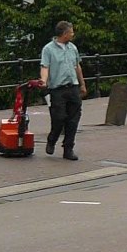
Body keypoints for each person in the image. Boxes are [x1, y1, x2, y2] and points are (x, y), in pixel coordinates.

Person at [39, 20, 86, 160]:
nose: (73, 34)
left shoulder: (73, 48)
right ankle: (52, 140)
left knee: (73, 119)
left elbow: (77, 66)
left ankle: (68, 148)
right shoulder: (48, 49)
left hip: (73, 87)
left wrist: (82, 84)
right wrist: (43, 80)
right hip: (57, 89)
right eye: (71, 32)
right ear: (64, 34)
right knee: (58, 118)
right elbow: (45, 66)